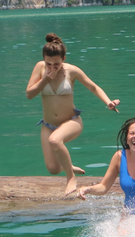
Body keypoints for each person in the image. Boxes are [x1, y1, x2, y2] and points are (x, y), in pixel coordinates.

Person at [26, 33, 121, 196]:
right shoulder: (40, 68)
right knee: (53, 169)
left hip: (72, 121)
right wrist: (44, 80)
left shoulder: (72, 71)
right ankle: (68, 166)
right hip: (48, 125)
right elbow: (29, 94)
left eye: (56, 64)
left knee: (55, 140)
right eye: (48, 64)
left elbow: (93, 87)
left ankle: (71, 179)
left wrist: (108, 102)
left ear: (63, 59)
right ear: (43, 59)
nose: (52, 68)